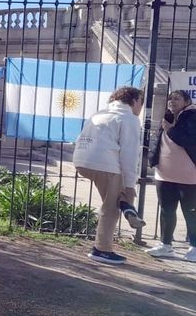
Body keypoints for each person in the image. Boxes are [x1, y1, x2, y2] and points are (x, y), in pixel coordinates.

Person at [73, 86, 146, 265]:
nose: (141, 107)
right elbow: (129, 155)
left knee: (114, 194)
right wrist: (130, 186)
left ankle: (127, 206)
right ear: (134, 100)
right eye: (141, 102)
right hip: (105, 164)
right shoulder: (129, 119)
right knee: (111, 208)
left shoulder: (100, 114)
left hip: (81, 160)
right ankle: (102, 250)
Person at [146, 90, 196, 262]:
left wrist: (170, 129)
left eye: (176, 98)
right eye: (170, 98)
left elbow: (189, 140)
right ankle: (165, 245)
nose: (171, 101)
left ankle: (194, 247)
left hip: (189, 175)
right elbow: (159, 141)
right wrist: (153, 159)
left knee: (191, 212)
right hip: (165, 174)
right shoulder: (167, 116)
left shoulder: (192, 116)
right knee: (166, 210)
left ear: (187, 102)